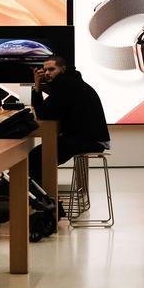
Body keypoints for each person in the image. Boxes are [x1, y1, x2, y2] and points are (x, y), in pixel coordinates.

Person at [30, 55, 110, 189]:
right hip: (91, 138)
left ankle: (44, 200)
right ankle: (41, 198)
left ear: (62, 69)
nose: (47, 73)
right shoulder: (70, 81)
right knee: (39, 156)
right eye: (45, 70)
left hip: (88, 140)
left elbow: (44, 114)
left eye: (51, 69)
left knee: (36, 158)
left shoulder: (65, 85)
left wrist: (37, 88)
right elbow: (49, 111)